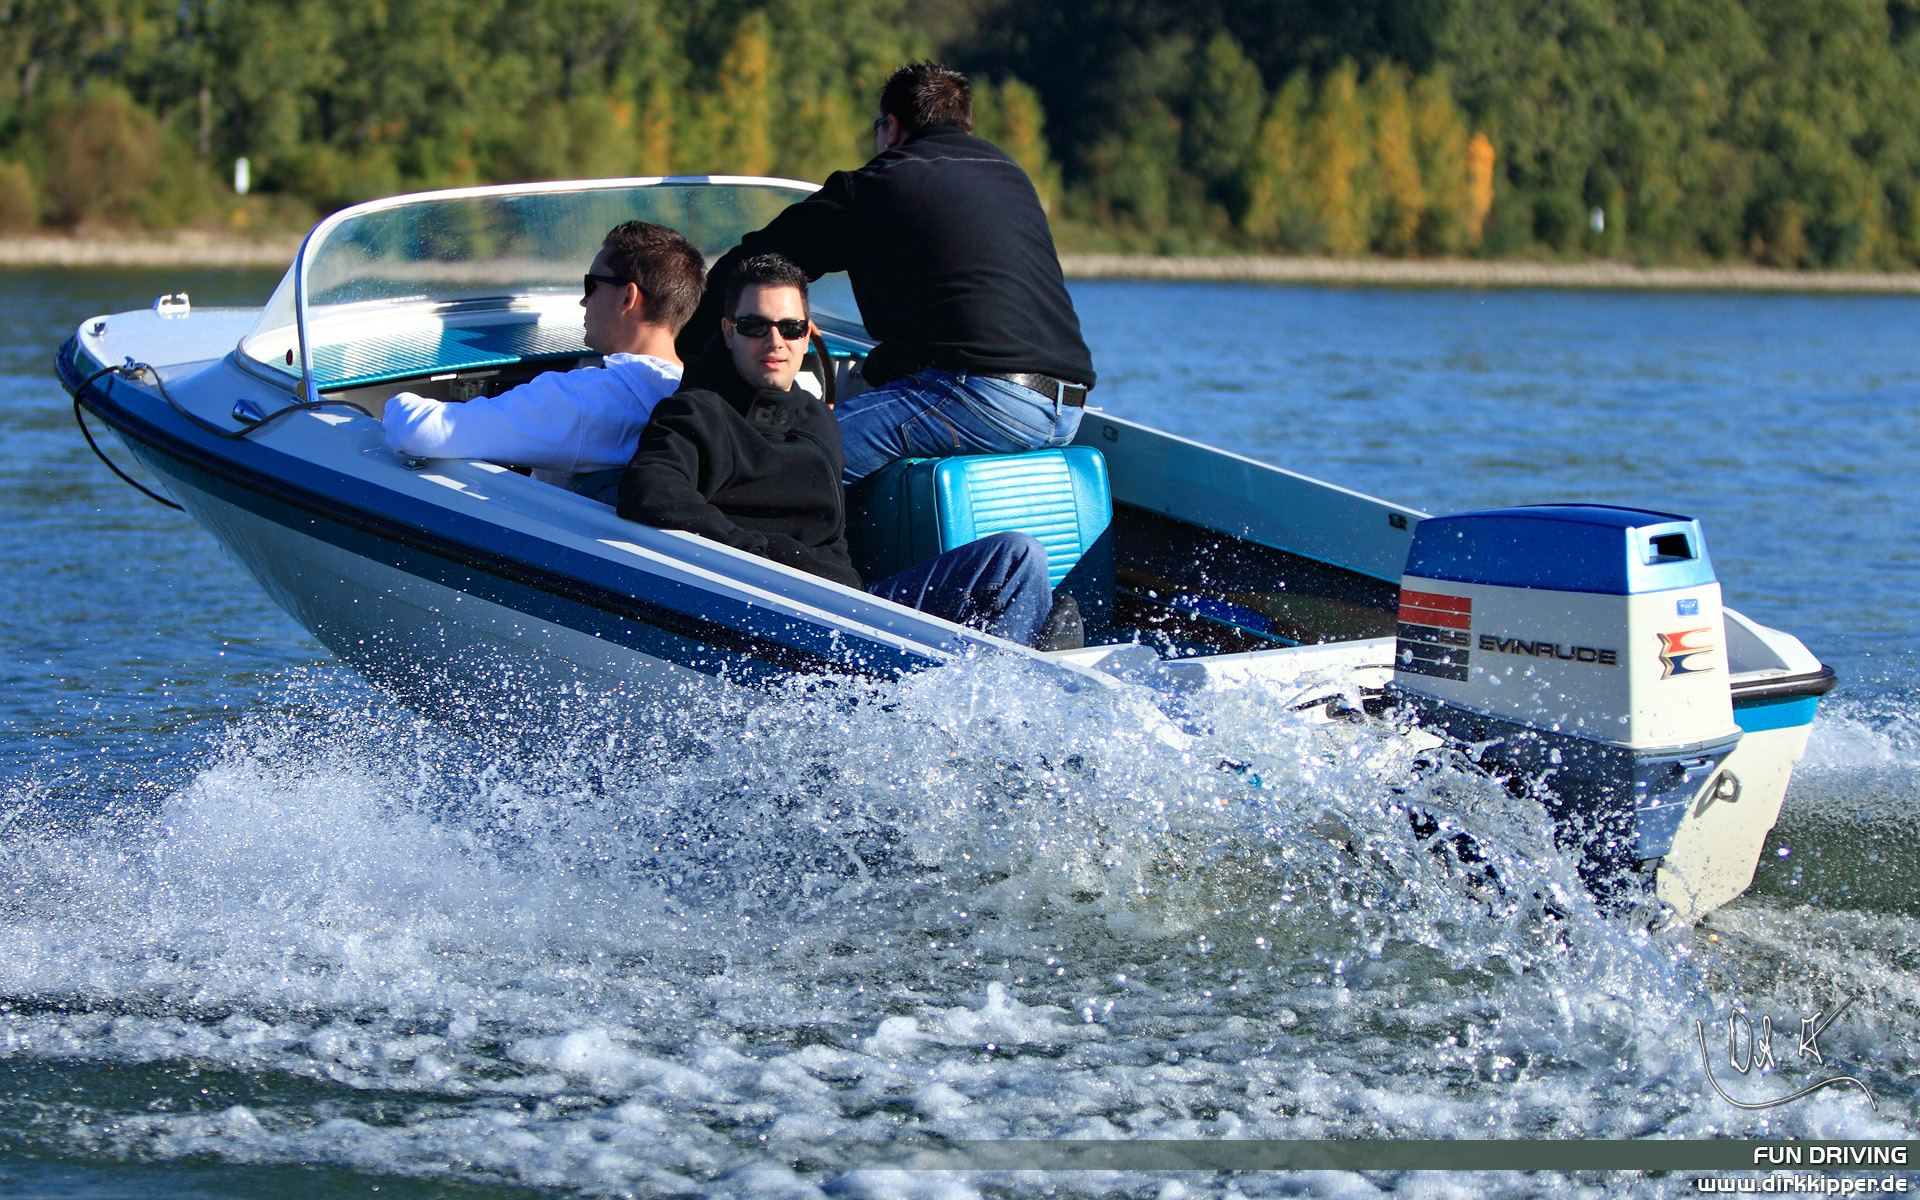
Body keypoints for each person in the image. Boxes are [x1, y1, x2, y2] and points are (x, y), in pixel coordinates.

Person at [675, 61, 1096, 484]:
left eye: (877, 128)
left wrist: (678, 347)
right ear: (964, 126)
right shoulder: (1012, 177)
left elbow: (754, 266)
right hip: (1065, 410)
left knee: (785, 469)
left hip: (979, 397)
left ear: (891, 128)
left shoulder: (878, 184)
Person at [622, 254, 1072, 648]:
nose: (774, 341)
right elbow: (650, 492)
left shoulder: (817, 418)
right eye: (754, 327)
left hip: (854, 613)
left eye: (790, 328)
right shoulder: (695, 411)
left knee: (1018, 555)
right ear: (727, 332)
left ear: (807, 335)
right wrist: (769, 555)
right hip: (773, 618)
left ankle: (1004, 684)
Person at [383, 221, 705, 491]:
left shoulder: (584, 400)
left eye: (591, 286)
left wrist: (391, 404)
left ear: (627, 297)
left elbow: (418, 431)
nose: (583, 302)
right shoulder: (698, 400)